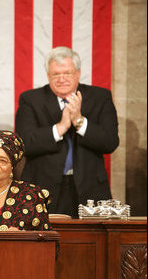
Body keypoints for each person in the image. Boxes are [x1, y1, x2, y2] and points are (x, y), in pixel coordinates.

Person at [15, 46, 119, 218]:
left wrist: (79, 121)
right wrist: (60, 127)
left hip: (90, 187)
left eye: (67, 73)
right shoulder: (31, 99)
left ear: (78, 73)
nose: (61, 79)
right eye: (56, 74)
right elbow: (24, 143)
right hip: (42, 187)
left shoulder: (100, 97)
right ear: (48, 76)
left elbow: (110, 142)